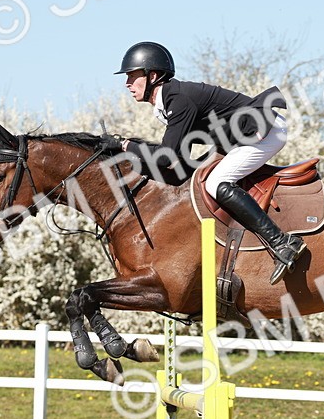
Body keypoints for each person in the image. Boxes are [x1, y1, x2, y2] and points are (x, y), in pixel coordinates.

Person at [113, 41, 306, 284]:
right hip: (240, 138)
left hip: (265, 131)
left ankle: (283, 243)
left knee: (217, 182)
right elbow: (180, 162)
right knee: (205, 177)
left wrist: (126, 146)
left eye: (132, 76)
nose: (127, 84)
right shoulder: (169, 101)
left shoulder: (179, 100)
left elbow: (167, 156)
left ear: (152, 75)